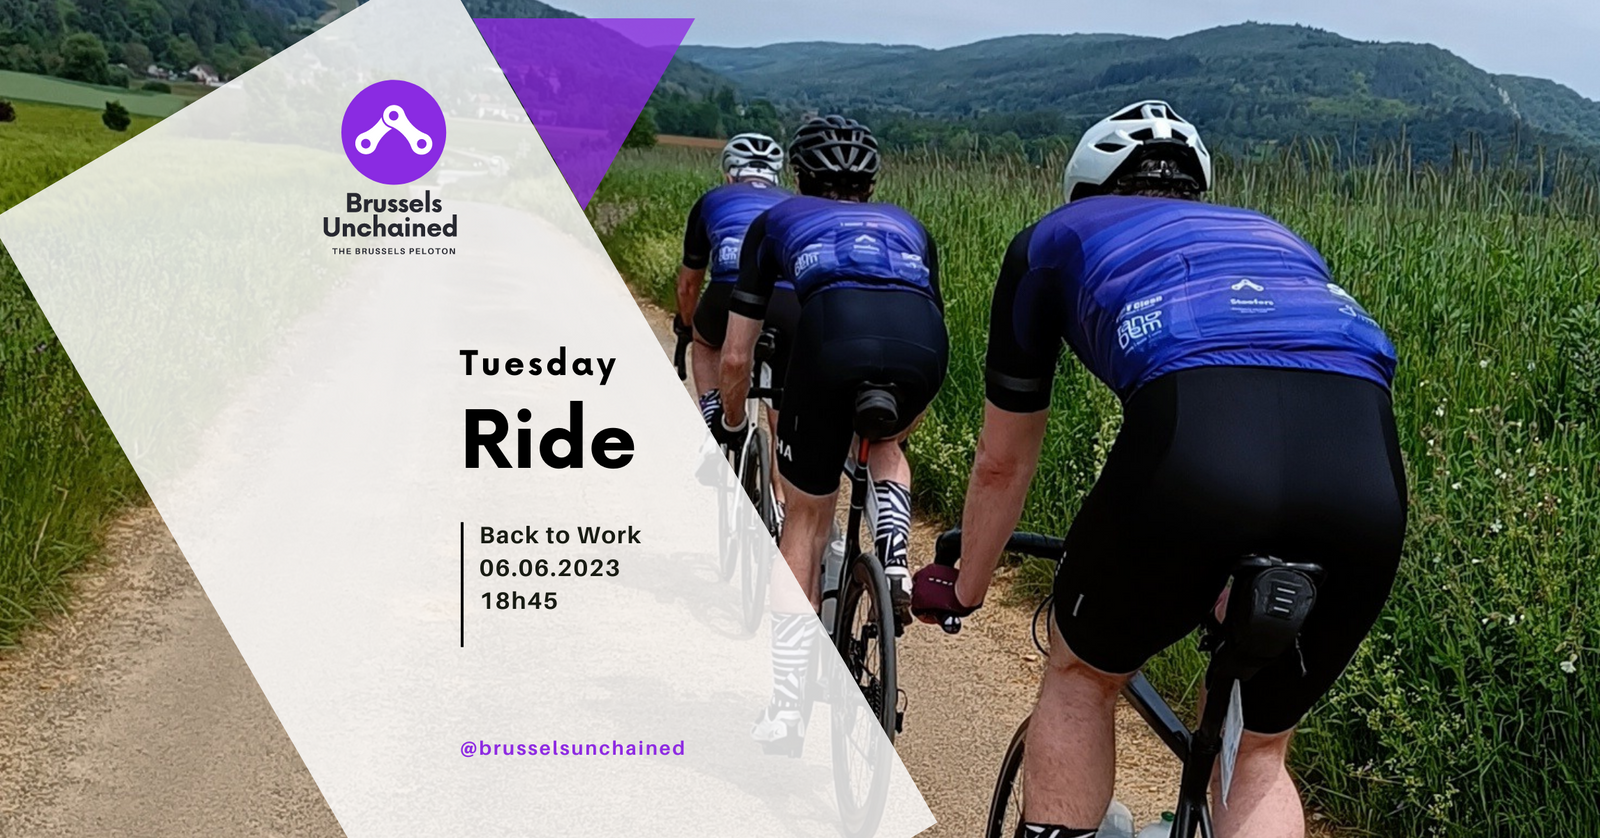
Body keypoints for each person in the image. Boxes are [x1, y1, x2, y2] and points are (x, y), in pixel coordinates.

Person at [912, 101, 1407, 838]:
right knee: (1263, 749)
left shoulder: (1053, 239)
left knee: (1082, 678)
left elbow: (1000, 463)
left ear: (1085, 192)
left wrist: (967, 585)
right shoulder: (1278, 236)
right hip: (1364, 471)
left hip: (1195, 451)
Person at [716, 116, 948, 747]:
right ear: (872, 184)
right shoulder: (911, 227)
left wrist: (734, 423)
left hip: (830, 340)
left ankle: (788, 707)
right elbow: (929, 312)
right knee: (887, 445)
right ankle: (894, 558)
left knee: (806, 521)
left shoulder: (776, 221)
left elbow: (735, 359)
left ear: (799, 175)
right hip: (921, 346)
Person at [674, 133, 799, 453]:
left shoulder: (712, 200)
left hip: (727, 294)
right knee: (782, 406)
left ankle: (715, 413)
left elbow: (688, 285)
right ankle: (781, 498)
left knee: (705, 341)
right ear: (776, 175)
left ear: (729, 175)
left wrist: (687, 327)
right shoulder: (794, 204)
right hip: (787, 300)